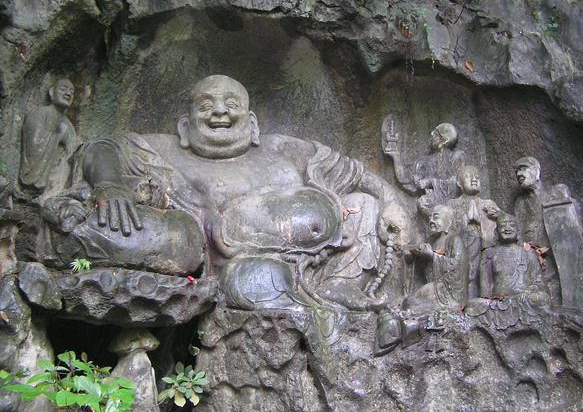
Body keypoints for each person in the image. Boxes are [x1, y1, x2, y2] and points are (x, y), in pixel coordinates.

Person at [42, 75, 406, 310]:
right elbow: (101, 147)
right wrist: (109, 184)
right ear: (185, 125)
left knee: (364, 206)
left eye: (231, 105)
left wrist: (391, 201)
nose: (218, 111)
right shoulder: (166, 148)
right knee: (160, 235)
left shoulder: (282, 150)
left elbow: (355, 172)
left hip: (303, 258)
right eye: (206, 106)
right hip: (201, 257)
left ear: (252, 123)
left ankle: (338, 285)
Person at [382, 118, 464, 209]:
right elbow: (409, 183)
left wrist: (431, 182)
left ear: (444, 140)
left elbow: (458, 183)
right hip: (431, 204)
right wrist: (396, 157)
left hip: (452, 206)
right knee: (422, 202)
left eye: (436, 133)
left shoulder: (456, 157)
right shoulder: (424, 162)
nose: (432, 134)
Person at [402, 204, 469, 314]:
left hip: (448, 293)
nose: (431, 221)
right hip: (435, 287)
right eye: (430, 218)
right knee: (409, 302)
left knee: (411, 305)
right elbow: (426, 269)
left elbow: (458, 267)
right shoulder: (433, 243)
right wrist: (412, 257)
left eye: (436, 217)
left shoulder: (454, 240)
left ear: (448, 222)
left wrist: (432, 256)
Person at [446, 165, 501, 298]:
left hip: (485, 251)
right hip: (461, 251)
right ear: (459, 183)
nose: (474, 179)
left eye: (477, 176)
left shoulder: (488, 204)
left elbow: (507, 226)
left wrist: (499, 215)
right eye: (469, 176)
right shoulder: (452, 205)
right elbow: (447, 232)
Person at [20, 78, 80, 198]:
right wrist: (57, 136)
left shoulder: (69, 125)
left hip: (58, 178)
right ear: (52, 92)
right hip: (40, 176)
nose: (68, 94)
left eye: (72, 92)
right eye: (63, 89)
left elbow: (74, 151)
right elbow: (33, 145)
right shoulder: (38, 113)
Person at [512, 157, 561, 305]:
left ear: (536, 171)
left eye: (523, 168)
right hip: (530, 257)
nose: (519, 174)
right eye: (517, 171)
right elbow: (518, 232)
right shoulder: (520, 203)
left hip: (552, 255)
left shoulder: (553, 194)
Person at [479, 214, 549, 306]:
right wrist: (487, 301)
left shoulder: (528, 252)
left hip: (525, 298)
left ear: (518, 230)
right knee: (475, 305)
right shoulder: (489, 253)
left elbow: (538, 281)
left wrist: (529, 290)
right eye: (503, 225)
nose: (507, 228)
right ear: (496, 232)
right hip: (498, 302)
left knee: (542, 298)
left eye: (511, 225)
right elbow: (485, 290)